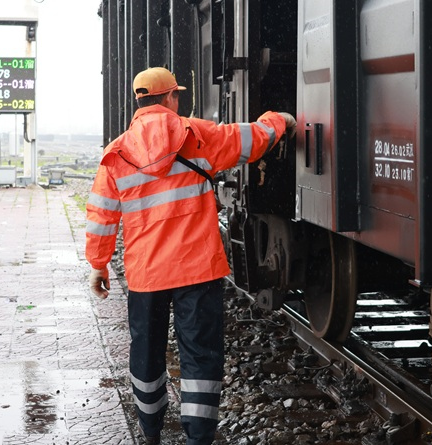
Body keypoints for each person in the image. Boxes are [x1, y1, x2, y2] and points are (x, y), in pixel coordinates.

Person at [85, 66, 296, 445]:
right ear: (170, 98)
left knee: (146, 354)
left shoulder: (116, 154)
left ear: (139, 102)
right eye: (176, 95)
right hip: (197, 270)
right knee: (200, 356)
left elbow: (101, 216)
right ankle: (199, 437)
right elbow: (249, 140)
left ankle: (150, 432)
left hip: (146, 273)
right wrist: (278, 120)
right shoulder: (195, 135)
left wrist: (98, 264)